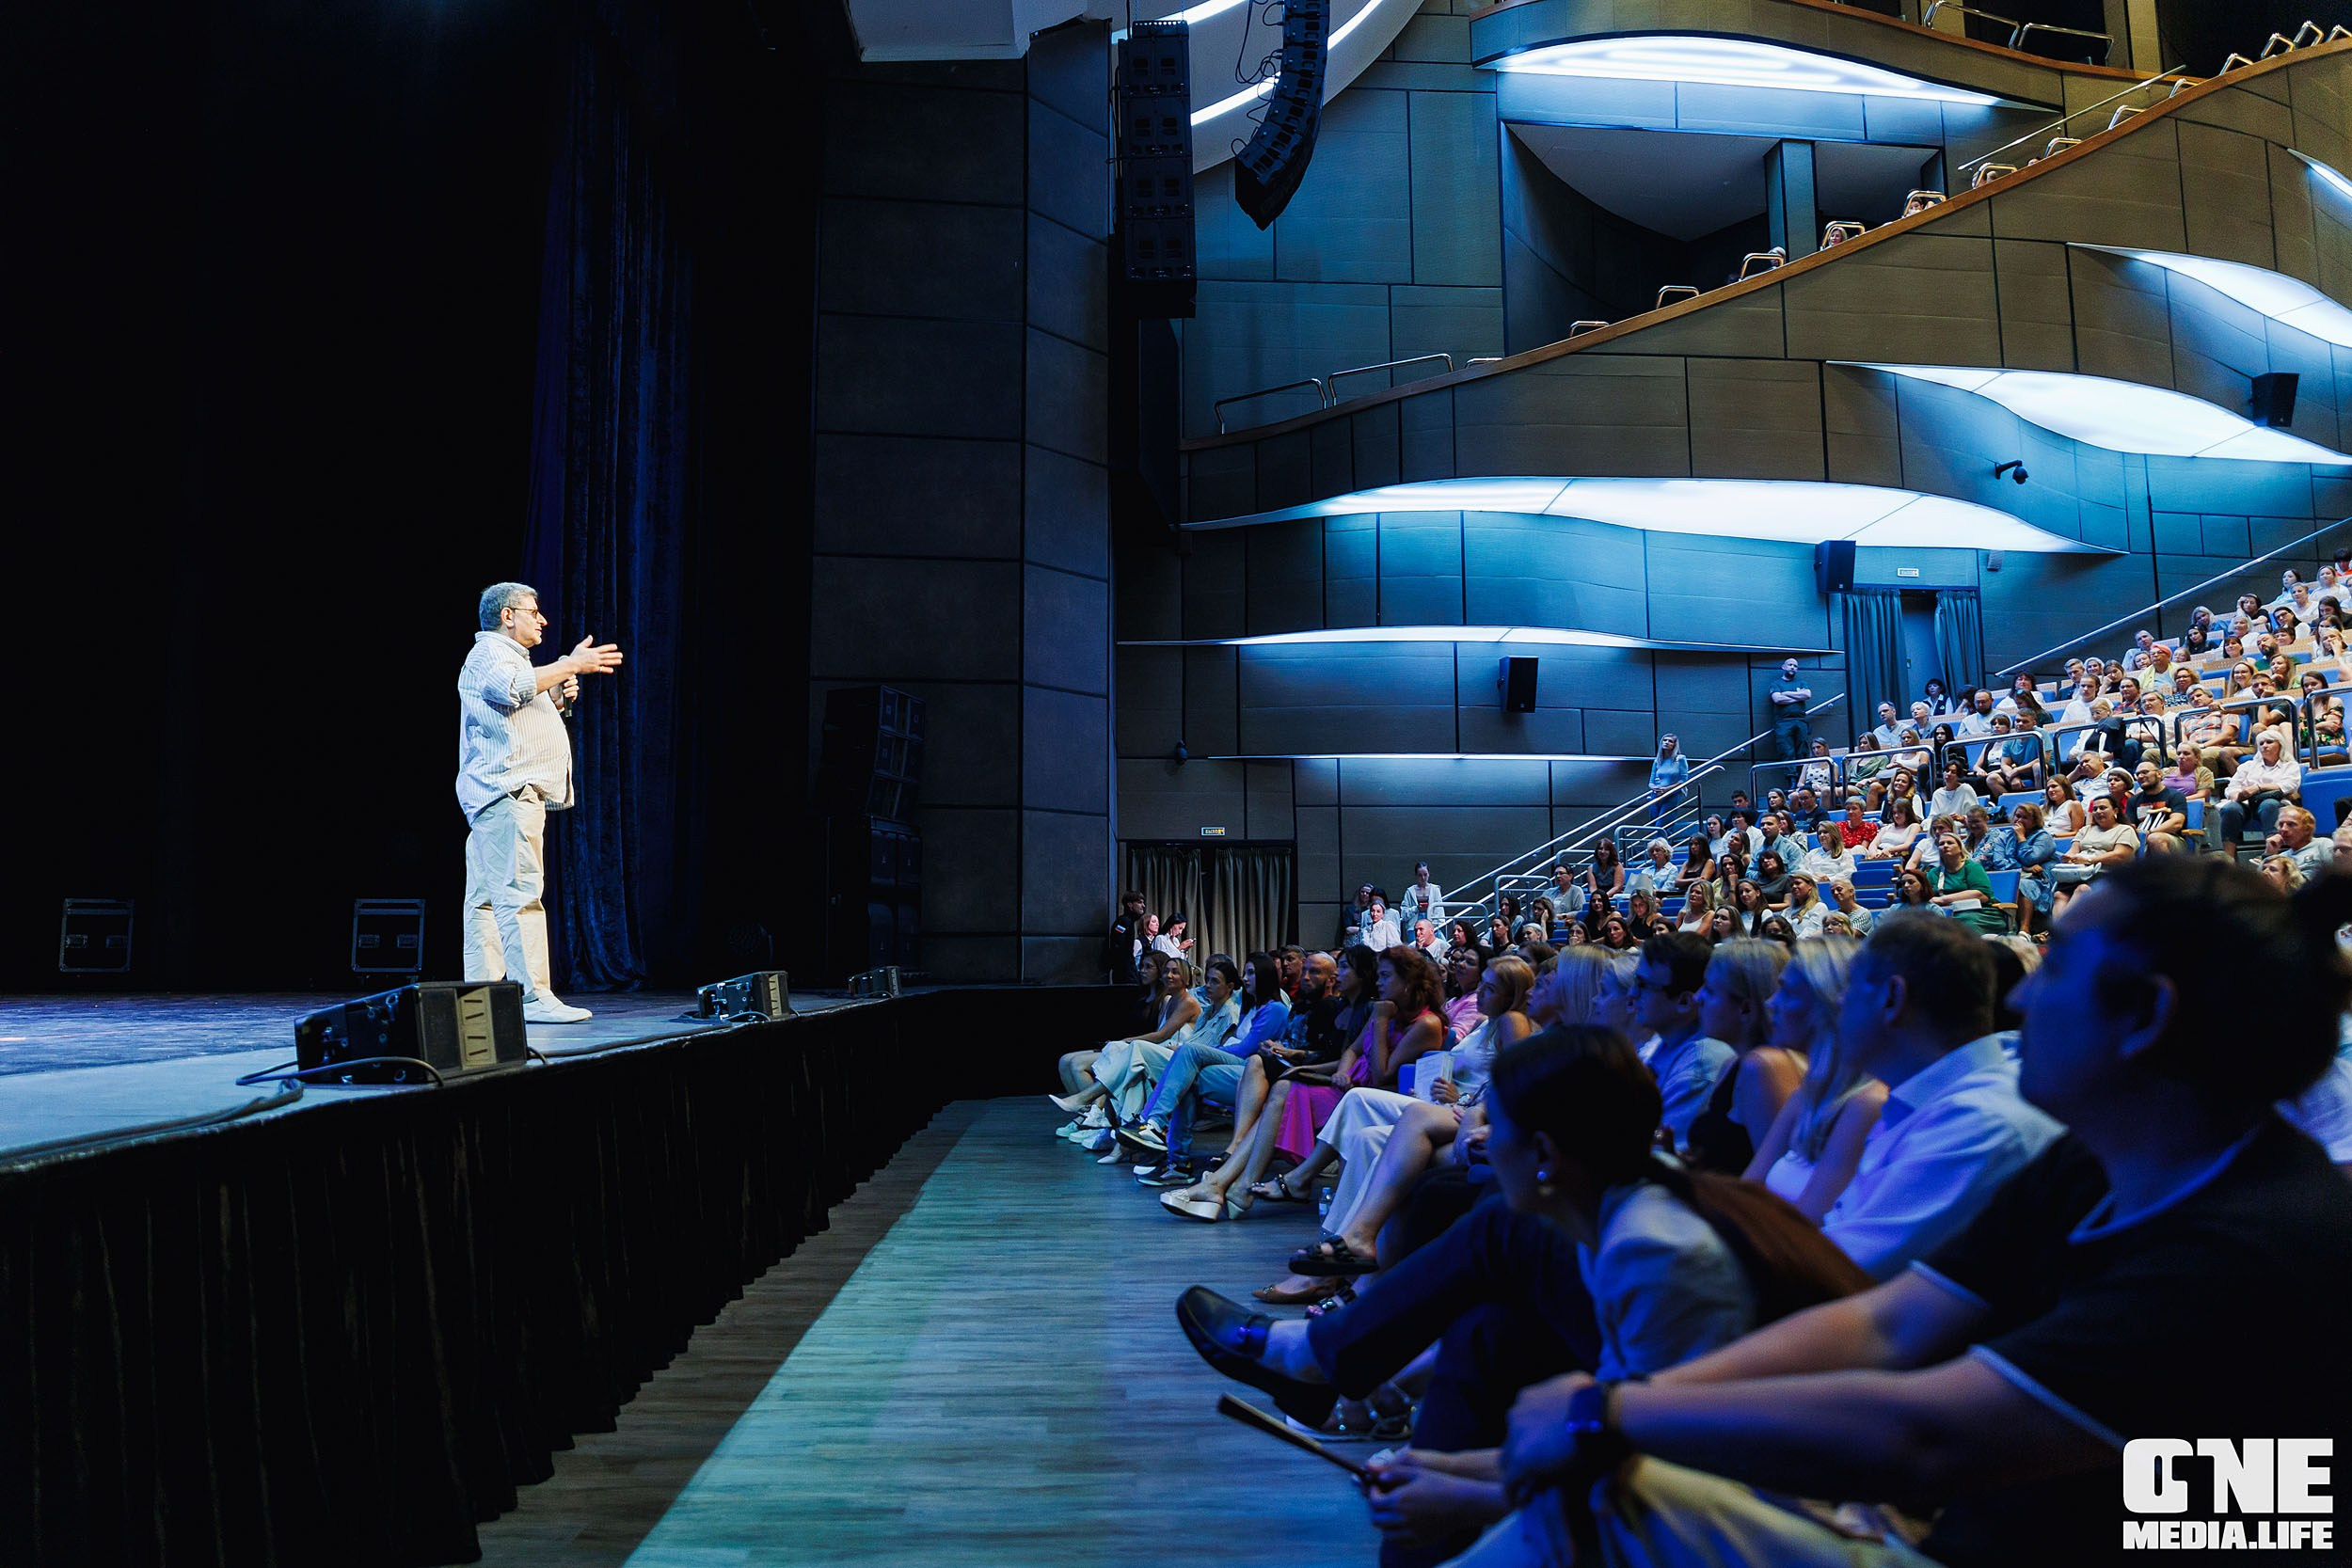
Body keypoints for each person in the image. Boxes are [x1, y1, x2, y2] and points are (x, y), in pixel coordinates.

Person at [1481, 858, 2352, 1568]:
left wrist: (1606, 1416)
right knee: (1595, 1496)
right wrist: (1617, 1403)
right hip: (1952, 1535)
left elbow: (1928, 1435)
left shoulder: (2250, 1245)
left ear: (2146, 1013)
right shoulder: (2092, 1160)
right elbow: (1889, 1321)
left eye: (2060, 969)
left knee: (1600, 1503)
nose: (2017, 999)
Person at [457, 581, 625, 1024]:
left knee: (487, 902)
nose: (543, 619)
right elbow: (510, 689)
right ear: (507, 615)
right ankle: (534, 999)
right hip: (507, 793)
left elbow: (516, 708)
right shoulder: (490, 653)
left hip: (500, 795)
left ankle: (484, 1001)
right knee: (520, 896)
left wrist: (555, 696)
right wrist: (569, 664)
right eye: (534, 611)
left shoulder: (512, 660)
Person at [1742, 936, 1885, 1219]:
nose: (1771, 1003)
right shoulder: (1812, 1090)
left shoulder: (1866, 1103)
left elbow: (1807, 1227)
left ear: (1829, 1001)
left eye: (1787, 991)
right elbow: (1747, 1190)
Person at [1680, 939, 1795, 1176]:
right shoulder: (1734, 1063)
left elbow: (1772, 1180)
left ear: (1745, 1007)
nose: (1698, 997)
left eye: (1710, 990)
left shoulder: (1765, 1067)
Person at [1629, 932, 1736, 1156]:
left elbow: (1657, 1157)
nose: (1632, 994)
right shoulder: (1665, 1042)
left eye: (1642, 985)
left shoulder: (1700, 1065)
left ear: (1685, 1002)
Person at [2209, 730, 2301, 854]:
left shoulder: (2290, 765)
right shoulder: (2248, 765)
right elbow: (2232, 787)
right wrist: (2237, 796)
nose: (2265, 746)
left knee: (2269, 804)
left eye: (2269, 742)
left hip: (2276, 802)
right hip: (2246, 803)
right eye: (2261, 743)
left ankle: (2271, 851)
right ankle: (2228, 857)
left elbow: (2289, 785)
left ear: (2280, 745)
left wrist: (2258, 788)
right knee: (2231, 809)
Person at [1924, 832, 2007, 935]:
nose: (1945, 846)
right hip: (1947, 912)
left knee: (1960, 924)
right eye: (1941, 844)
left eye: (1950, 843)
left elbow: (1981, 895)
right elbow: (1927, 897)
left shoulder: (1972, 867)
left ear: (1960, 848)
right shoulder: (1933, 873)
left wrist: (1942, 899)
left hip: (1979, 913)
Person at [2125, 757, 2188, 854]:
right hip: (2141, 838)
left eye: (2145, 772)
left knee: (2155, 839)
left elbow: (2177, 822)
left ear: (2159, 774)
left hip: (2171, 840)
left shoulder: (2175, 795)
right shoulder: (2133, 800)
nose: (2140, 776)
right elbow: (2130, 825)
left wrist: (2150, 833)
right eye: (2138, 774)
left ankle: (2170, 869)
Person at [1768, 657, 1811, 760]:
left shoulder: (1801, 683)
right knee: (1786, 751)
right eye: (1790, 665)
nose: (1793, 667)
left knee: (1803, 750)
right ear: (1783, 667)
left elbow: (1808, 695)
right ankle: (1791, 776)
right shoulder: (1776, 683)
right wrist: (1798, 697)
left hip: (1801, 720)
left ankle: (1803, 775)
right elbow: (1778, 699)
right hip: (1783, 722)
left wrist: (1787, 693)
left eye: (1795, 666)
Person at [1648, 734, 1692, 822]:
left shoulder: (1680, 759)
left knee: (1662, 824)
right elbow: (1651, 781)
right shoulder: (1658, 760)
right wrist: (1654, 787)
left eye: (1670, 741)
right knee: (1653, 823)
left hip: (1672, 795)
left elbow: (1683, 780)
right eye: (1665, 740)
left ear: (1674, 745)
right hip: (1656, 795)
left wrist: (1666, 789)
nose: (1666, 742)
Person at [1399, 862, 1445, 933]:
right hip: (1414, 926)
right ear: (1416, 876)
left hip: (1432, 926)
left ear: (1429, 874)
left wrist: (1435, 926)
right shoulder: (1410, 891)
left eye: (1425, 875)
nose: (1423, 878)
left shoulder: (1435, 889)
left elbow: (1439, 910)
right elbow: (1404, 912)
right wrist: (1416, 908)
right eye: (1420, 875)